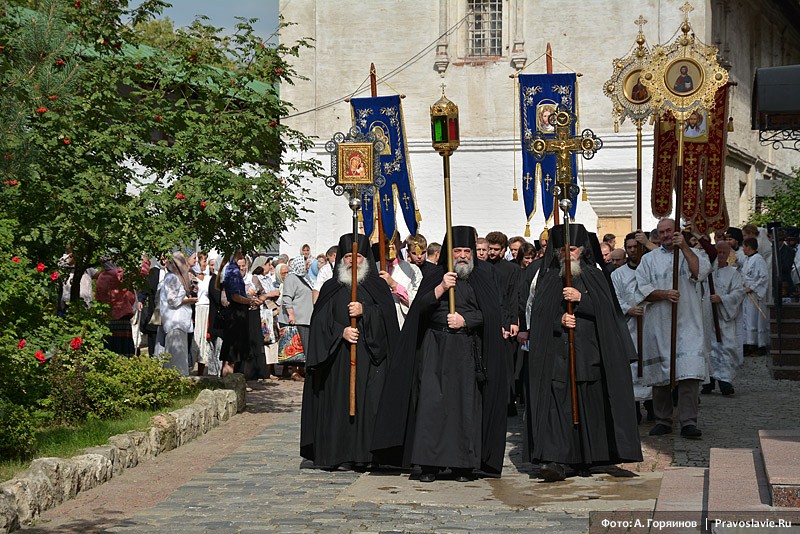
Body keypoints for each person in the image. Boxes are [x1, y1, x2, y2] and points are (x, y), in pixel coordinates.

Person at [372, 226, 508, 482]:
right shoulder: (435, 274)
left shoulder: (483, 276)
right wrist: (441, 288)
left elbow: (491, 315)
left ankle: (463, 466)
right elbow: (419, 309)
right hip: (435, 348)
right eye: (458, 251)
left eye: (467, 251)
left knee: (464, 406)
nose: (463, 256)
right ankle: (429, 464)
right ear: (449, 252)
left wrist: (465, 320)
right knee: (432, 404)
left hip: (467, 350)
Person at [524, 223, 642, 482]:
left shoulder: (595, 276)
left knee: (589, 406)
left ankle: (588, 457)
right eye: (563, 249)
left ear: (582, 250)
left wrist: (582, 300)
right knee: (559, 407)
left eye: (573, 248)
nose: (568, 254)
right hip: (557, 357)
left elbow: (608, 313)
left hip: (589, 354)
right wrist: (559, 321)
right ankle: (557, 460)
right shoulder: (548, 278)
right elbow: (540, 318)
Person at [300, 233, 400, 471]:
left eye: (358, 256)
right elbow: (319, 324)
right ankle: (340, 455)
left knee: (370, 406)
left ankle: (367, 456)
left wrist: (366, 311)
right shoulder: (330, 287)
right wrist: (340, 332)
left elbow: (388, 323)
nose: (352, 261)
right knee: (339, 407)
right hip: (337, 362)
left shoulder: (378, 287)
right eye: (347, 256)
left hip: (371, 360)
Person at [636, 218, 711, 439]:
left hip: (688, 321)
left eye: (669, 231)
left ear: (677, 232)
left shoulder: (692, 254)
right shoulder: (649, 259)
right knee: (661, 375)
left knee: (689, 373)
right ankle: (663, 419)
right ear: (657, 236)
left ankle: (688, 421)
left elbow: (699, 272)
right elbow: (641, 289)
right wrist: (663, 294)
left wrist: (685, 247)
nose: (666, 235)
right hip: (659, 322)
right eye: (661, 232)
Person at [611, 233, 654, 424]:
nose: (632, 250)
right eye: (629, 247)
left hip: (650, 323)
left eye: (636, 247)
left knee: (651, 364)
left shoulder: (651, 268)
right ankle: (634, 408)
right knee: (632, 366)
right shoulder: (617, 274)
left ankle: (653, 407)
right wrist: (628, 308)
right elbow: (615, 298)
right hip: (629, 325)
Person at [701, 240, 745, 396]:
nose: (720, 255)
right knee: (709, 346)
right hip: (708, 316)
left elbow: (738, 293)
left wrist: (722, 299)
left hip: (724, 317)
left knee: (726, 347)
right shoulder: (707, 271)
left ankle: (725, 380)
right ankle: (709, 380)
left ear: (728, 254)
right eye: (717, 252)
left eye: (723, 252)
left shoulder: (734, 274)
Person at [156, 252, 197, 375]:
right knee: (176, 356)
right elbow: (172, 300)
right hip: (175, 321)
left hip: (178, 321)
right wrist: (188, 299)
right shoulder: (172, 278)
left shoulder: (176, 277)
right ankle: (177, 381)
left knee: (178, 355)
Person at [279, 257, 314, 381]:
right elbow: (287, 298)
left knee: (302, 346)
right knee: (295, 346)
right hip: (297, 318)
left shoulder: (304, 278)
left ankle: (301, 370)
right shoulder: (291, 278)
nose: (307, 266)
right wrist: (291, 315)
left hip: (305, 318)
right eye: (305, 264)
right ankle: (294, 372)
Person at [378, 233, 422, 329]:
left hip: (402, 324)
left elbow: (417, 301)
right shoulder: (373, 268)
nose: (389, 246)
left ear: (400, 244)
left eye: (393, 242)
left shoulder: (413, 270)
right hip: (379, 325)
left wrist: (394, 285)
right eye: (386, 242)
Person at [741, 237, 770, 356]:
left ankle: (759, 345)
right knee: (747, 320)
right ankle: (749, 344)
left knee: (755, 320)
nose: (742, 249)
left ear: (749, 246)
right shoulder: (747, 259)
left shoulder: (758, 259)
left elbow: (764, 277)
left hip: (755, 295)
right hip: (746, 295)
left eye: (744, 246)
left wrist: (752, 288)